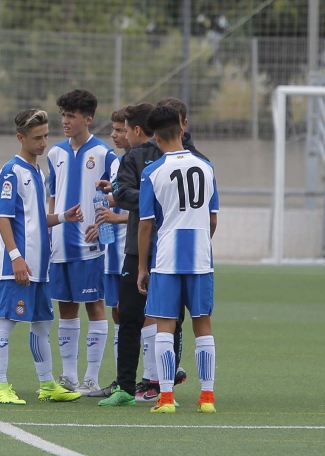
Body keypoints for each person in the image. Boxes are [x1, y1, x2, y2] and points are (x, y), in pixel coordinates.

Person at [0, 108, 84, 405]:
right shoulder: (11, 171)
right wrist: (15, 257)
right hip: (19, 266)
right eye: (36, 138)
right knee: (5, 321)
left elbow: (35, 219)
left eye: (45, 136)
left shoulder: (37, 171)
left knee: (42, 324)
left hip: (40, 268)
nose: (43, 143)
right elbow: (3, 218)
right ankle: (1, 386)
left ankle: (46, 384)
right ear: (21, 137)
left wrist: (63, 217)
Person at [99, 99, 204, 407]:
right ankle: (125, 388)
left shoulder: (188, 156)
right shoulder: (135, 158)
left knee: (174, 318)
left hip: (173, 249)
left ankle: (163, 384)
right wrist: (156, 198)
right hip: (138, 249)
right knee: (129, 315)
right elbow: (121, 193)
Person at [137, 105, 219, 414]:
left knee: (164, 327)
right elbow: (212, 219)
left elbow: (146, 224)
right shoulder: (206, 167)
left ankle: (167, 397)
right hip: (200, 258)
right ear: (181, 130)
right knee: (203, 325)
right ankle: (207, 397)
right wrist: (200, 243)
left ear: (156, 136)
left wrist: (142, 267)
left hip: (167, 258)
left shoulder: (153, 171)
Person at [46, 89, 118, 395]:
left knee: (95, 306)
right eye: (63, 114)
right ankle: (69, 377)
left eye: (71, 115)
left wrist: (103, 228)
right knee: (66, 308)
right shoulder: (54, 154)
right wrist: (50, 231)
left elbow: (117, 197)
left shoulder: (104, 154)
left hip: (91, 247)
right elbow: (52, 198)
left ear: (87, 119)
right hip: (60, 244)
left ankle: (92, 378)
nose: (65, 120)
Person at [87, 108, 130, 397]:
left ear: (136, 130)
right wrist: (102, 230)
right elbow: (116, 201)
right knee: (118, 314)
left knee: (145, 315)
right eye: (113, 129)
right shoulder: (117, 164)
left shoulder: (144, 162)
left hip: (136, 252)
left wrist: (116, 219)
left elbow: (150, 208)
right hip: (114, 253)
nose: (113, 135)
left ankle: (152, 378)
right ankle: (122, 379)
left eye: (119, 130)